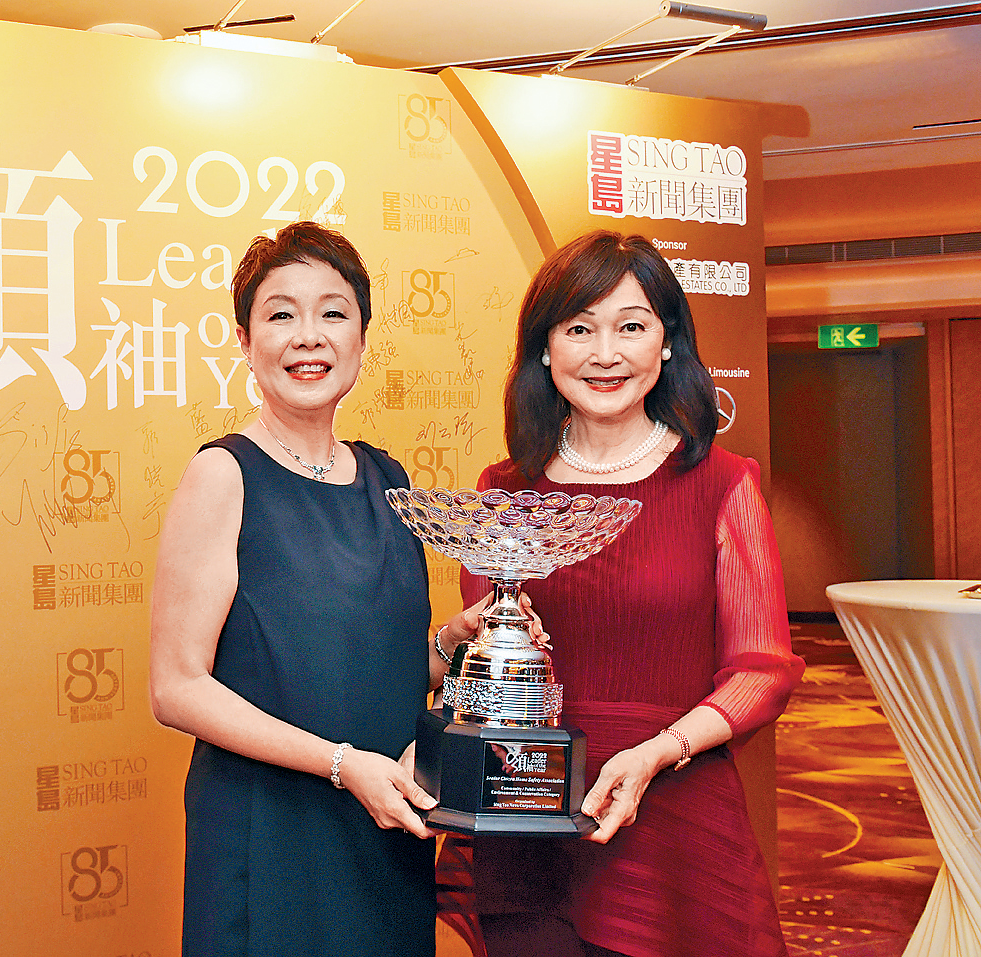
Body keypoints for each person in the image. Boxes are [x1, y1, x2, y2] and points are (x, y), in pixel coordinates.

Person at [438, 229, 805, 957]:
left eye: (630, 327)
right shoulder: (502, 491)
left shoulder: (722, 482)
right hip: (527, 814)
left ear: (666, 344)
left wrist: (658, 752)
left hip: (673, 817)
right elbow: (486, 675)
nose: (605, 353)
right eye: (579, 329)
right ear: (545, 350)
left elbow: (760, 670)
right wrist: (456, 638)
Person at [149, 221, 480, 957]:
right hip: (269, 831)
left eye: (333, 312)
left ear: (361, 336)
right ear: (244, 340)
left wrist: (449, 646)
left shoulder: (389, 478)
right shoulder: (223, 474)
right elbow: (176, 687)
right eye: (280, 315)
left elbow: (371, 666)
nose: (309, 336)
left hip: (386, 826)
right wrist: (341, 764)